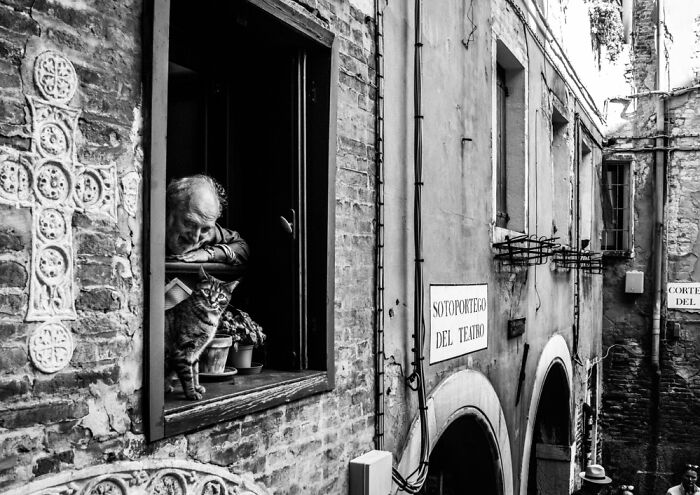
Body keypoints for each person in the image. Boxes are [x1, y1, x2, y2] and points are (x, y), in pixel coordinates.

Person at [165, 174, 249, 266]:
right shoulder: (148, 226)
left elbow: (243, 247)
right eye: (190, 224)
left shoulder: (209, 231)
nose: (195, 239)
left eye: (205, 229)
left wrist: (210, 253)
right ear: (168, 212)